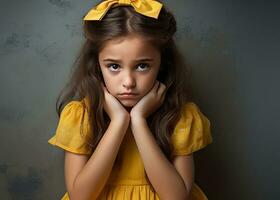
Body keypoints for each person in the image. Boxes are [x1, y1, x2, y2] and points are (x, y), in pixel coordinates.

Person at [47, 0, 213, 199]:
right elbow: (80, 197)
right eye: (114, 66)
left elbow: (176, 197)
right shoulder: (80, 116)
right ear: (97, 65)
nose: (128, 82)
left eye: (142, 66)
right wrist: (118, 122)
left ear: (162, 64)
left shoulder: (180, 117)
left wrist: (139, 121)